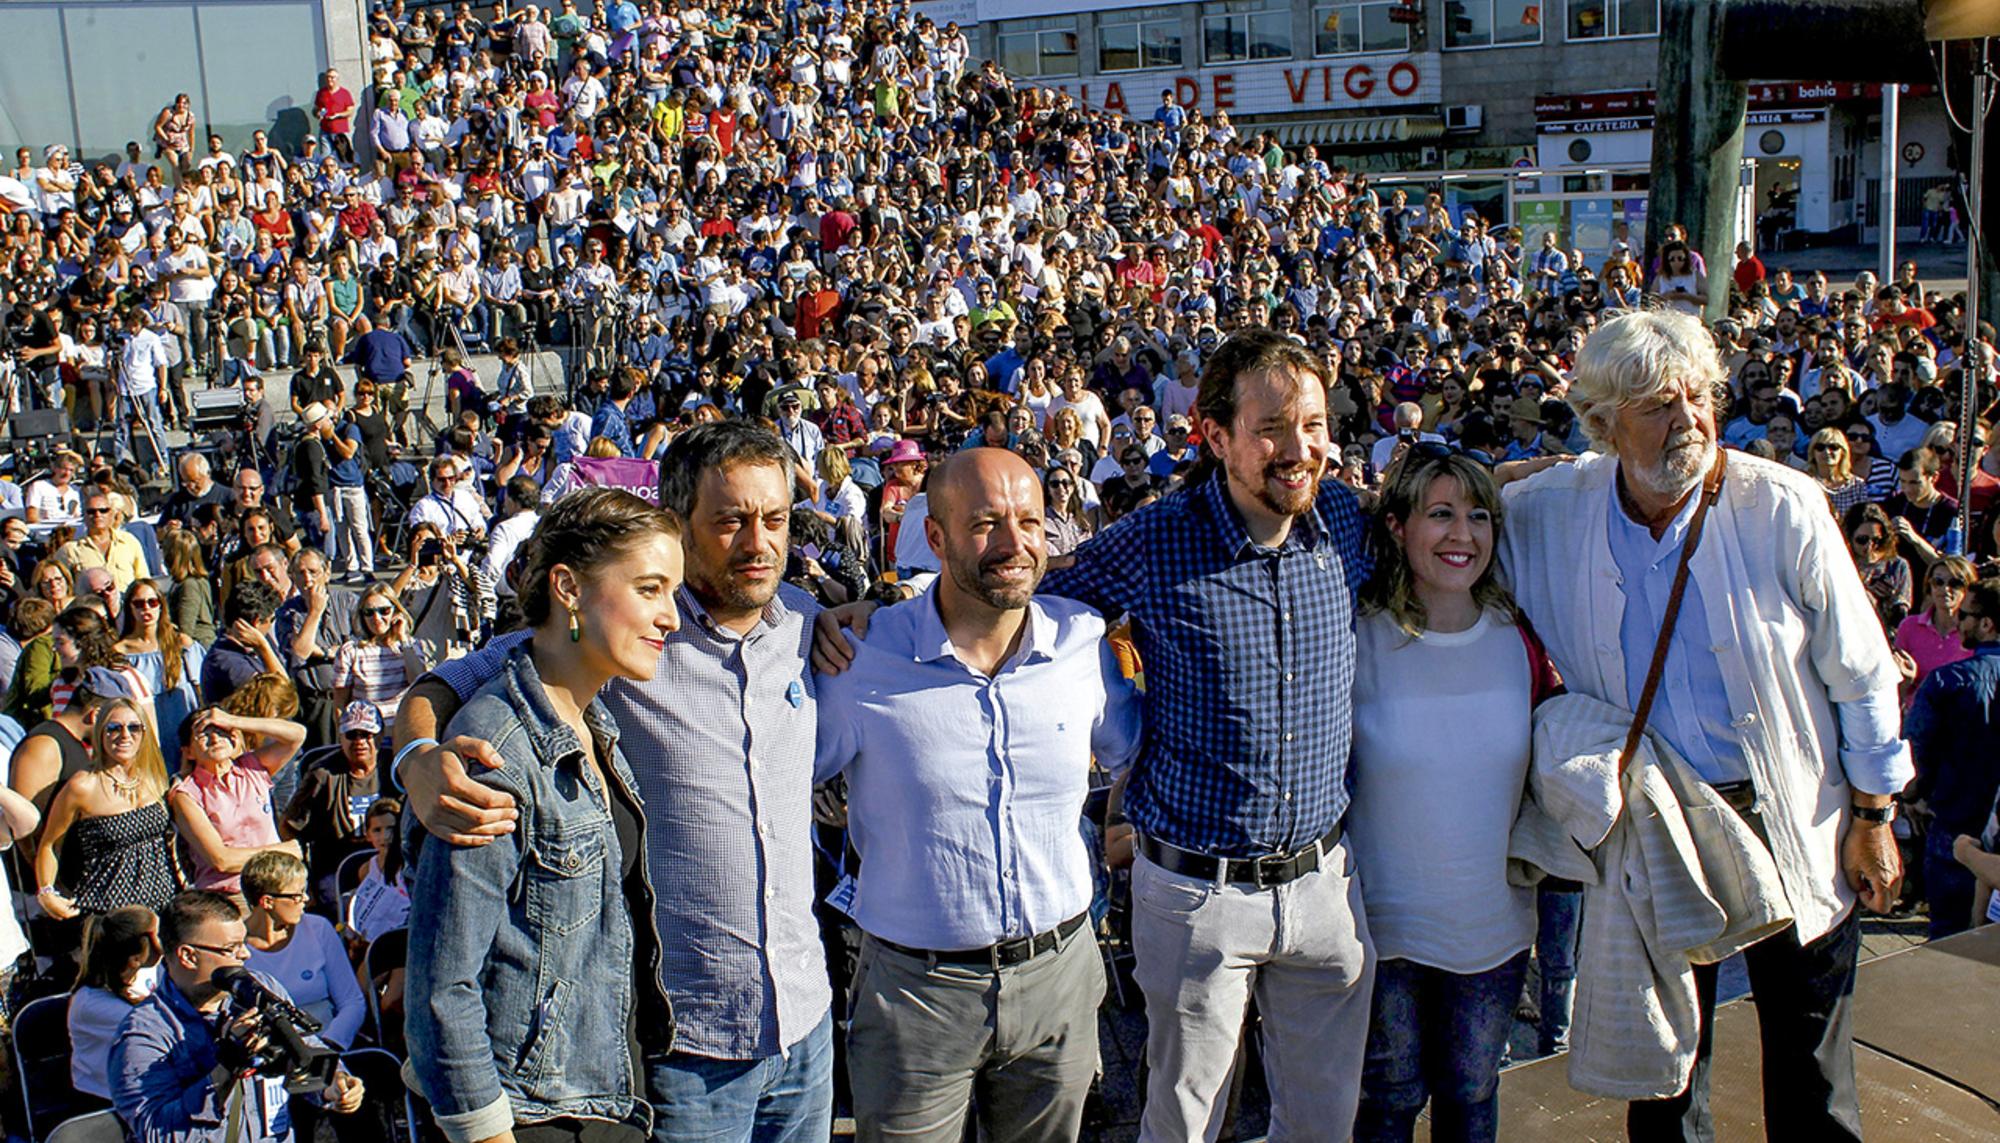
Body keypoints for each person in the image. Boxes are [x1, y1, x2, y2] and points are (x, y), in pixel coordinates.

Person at [820, 326, 1377, 1140]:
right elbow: (1020, 590)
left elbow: (1453, 514)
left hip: (1325, 882)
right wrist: (885, 611)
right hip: (1200, 892)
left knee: (1326, 1121)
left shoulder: (1343, 518)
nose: (1301, 448)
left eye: (1316, 424)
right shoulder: (1156, 538)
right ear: (1216, 435)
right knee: (1184, 1119)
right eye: (1273, 428)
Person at [1497, 309, 1909, 1139]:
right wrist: (1512, 471)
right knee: (1666, 1080)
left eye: (1697, 396)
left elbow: (1862, 671)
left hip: (1794, 816)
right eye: (1657, 404)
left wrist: (1872, 817)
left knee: (1813, 1075)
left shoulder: (1781, 506)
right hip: (1660, 829)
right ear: (1605, 424)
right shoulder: (1553, 510)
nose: (1688, 418)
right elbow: (1446, 509)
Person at [400, 422, 836, 1143]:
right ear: (682, 524)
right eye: (729, 520)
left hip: (804, 1028)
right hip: (685, 1050)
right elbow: (449, 683)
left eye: (776, 518)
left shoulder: (806, 623)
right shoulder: (621, 636)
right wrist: (417, 751)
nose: (758, 542)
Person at [815, 449, 1139, 1141]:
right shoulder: (861, 655)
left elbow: (1135, 751)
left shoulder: (1081, 640)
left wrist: (1125, 836)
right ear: (934, 538)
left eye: (1028, 520)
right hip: (915, 993)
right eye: (987, 523)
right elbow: (780, 777)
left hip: (1060, 977)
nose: (1014, 543)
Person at [405, 488, 683, 1143]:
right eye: (650, 589)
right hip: (531, 1116)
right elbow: (442, 988)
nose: (671, 615)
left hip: (604, 1096)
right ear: (568, 587)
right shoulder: (494, 749)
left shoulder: (595, 722)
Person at [1350, 451, 1546, 1143]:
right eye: (1440, 513)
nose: (1462, 532)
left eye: (1477, 514)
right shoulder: (1359, 638)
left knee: (1471, 1096)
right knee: (1387, 1100)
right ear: (1398, 526)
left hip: (1492, 929)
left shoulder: (1521, 636)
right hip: (1384, 930)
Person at [109, 890, 365, 1142]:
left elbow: (305, 1050)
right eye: (231, 948)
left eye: (243, 943)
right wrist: (227, 1066)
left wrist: (334, 1084)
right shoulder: (143, 1034)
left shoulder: (259, 989)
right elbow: (158, 1133)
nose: (245, 954)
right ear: (188, 955)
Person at [1903, 578, 2000, 940]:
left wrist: (1914, 797)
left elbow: (1915, 753)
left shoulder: (1948, 681)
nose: (1959, 623)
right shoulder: (1950, 681)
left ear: (1986, 623)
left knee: (1948, 943)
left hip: (1954, 827)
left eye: (1966, 615)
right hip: (1981, 831)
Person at [35, 690, 181, 920]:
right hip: (108, 913)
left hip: (163, 907)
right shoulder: (83, 785)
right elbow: (49, 845)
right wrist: (47, 892)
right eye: (114, 728)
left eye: (134, 728)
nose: (125, 735)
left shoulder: (154, 776)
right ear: (100, 733)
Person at [168, 706, 306, 893]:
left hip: (278, 881)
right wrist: (281, 851)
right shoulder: (186, 794)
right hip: (231, 891)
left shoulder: (251, 768)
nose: (215, 738)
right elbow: (222, 860)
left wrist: (233, 720)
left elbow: (297, 734)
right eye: (203, 734)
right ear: (189, 752)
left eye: (220, 731)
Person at [243, 850, 366, 1049]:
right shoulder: (235, 948)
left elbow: (352, 1002)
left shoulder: (319, 928)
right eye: (297, 895)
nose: (306, 899)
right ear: (267, 901)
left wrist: (327, 1048)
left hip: (329, 1046)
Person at [281, 700, 386, 896]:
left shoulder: (392, 769)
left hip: (389, 863)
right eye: (351, 735)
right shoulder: (322, 774)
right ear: (341, 737)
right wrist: (304, 879)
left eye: (366, 734)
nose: (359, 741)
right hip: (337, 869)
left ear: (379, 735)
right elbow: (289, 826)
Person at [68, 904, 164, 1100]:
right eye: (159, 934)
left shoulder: (152, 969)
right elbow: (160, 1025)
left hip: (146, 1089)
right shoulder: (92, 1004)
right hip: (105, 1099)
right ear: (136, 958)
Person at [116, 578, 204, 770]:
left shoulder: (181, 643)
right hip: (147, 726)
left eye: (152, 602)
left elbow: (200, 689)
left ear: (161, 605)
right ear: (129, 608)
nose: (146, 609)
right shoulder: (120, 651)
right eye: (138, 604)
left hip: (183, 719)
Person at [1892, 555, 1976, 696]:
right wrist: (1907, 681)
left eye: (1955, 583)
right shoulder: (1909, 626)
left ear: (1967, 589)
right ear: (1929, 586)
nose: (1945, 589)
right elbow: (1896, 687)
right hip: (1916, 713)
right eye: (1938, 582)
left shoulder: (1974, 630)